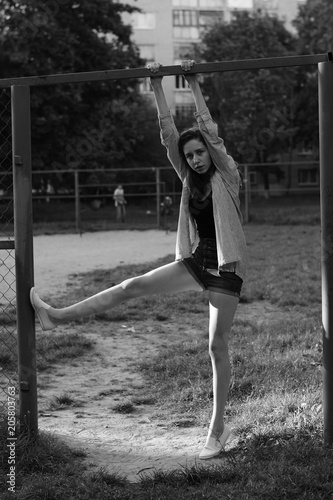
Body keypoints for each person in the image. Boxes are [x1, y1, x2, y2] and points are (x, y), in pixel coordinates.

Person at [30, 60, 247, 460]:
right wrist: (156, 85)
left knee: (216, 346)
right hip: (198, 261)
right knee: (131, 286)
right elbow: (169, 136)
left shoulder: (226, 174)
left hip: (226, 271)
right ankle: (55, 317)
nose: (197, 159)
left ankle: (217, 430)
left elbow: (210, 130)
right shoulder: (188, 179)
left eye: (200, 153)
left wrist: (195, 83)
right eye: (192, 155)